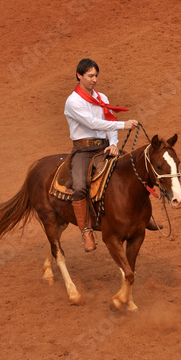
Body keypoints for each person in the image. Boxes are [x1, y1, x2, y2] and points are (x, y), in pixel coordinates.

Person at [64, 58, 138, 252]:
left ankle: (145, 218)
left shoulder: (101, 98)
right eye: (90, 76)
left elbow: (109, 119)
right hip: (83, 151)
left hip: (104, 147)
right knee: (79, 187)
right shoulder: (73, 101)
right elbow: (93, 124)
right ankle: (86, 231)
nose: (94, 79)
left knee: (132, 169)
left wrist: (113, 144)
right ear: (79, 75)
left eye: (96, 75)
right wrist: (123, 125)